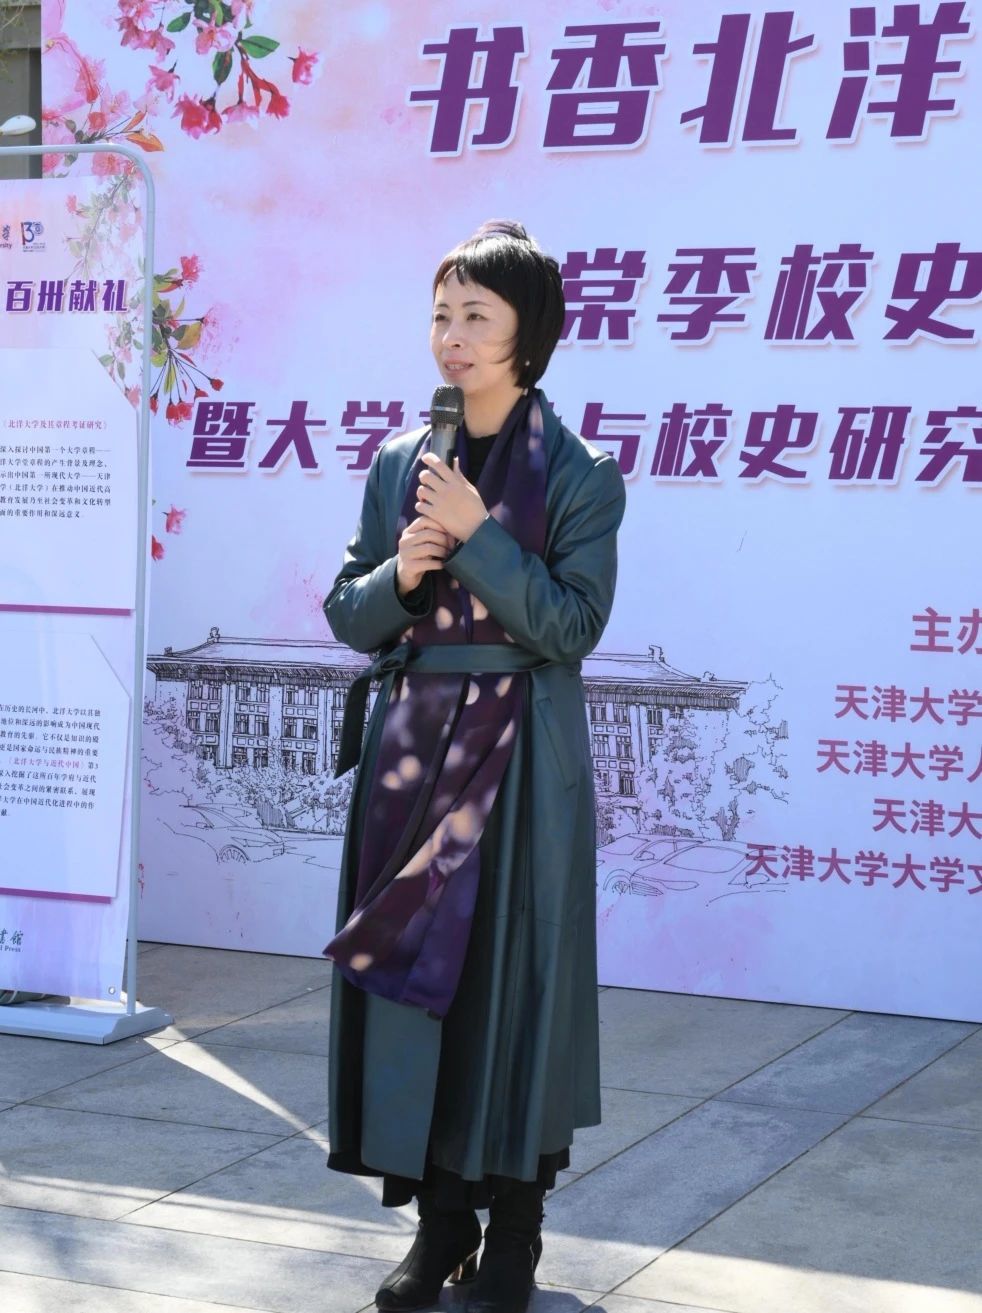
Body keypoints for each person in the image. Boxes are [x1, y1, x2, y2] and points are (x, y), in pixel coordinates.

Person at [322, 220, 626, 1313]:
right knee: (417, 979)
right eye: (441, 313)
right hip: (413, 752)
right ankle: (440, 1218)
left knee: (512, 980)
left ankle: (517, 1227)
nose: (450, 335)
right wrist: (400, 579)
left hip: (523, 760)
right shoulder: (399, 459)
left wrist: (479, 534)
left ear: (526, 335)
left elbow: (572, 626)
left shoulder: (583, 471)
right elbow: (348, 611)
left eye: (475, 316)